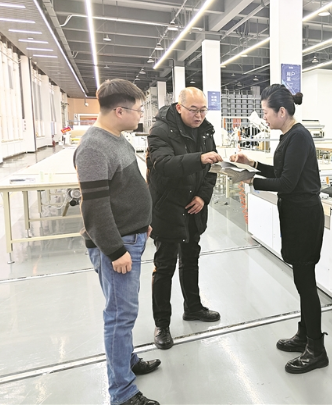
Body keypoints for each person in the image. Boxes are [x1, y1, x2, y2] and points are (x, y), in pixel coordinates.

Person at [230, 84, 328, 374]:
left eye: (266, 112)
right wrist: (252, 164)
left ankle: (316, 349)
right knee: (301, 281)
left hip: (304, 217)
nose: (265, 117)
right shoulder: (288, 136)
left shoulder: (299, 137)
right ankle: (304, 336)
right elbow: (282, 172)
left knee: (305, 284)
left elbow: (287, 183)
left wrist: (249, 180)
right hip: (295, 215)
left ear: (281, 111)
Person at [74, 79, 160, 405]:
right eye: (138, 110)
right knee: (120, 316)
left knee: (125, 312)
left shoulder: (116, 138)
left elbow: (124, 189)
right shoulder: (94, 148)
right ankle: (122, 393)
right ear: (120, 111)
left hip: (130, 236)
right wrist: (115, 249)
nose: (141, 115)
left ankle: (128, 360)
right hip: (117, 246)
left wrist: (142, 221)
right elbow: (94, 207)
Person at [146, 87, 223, 350]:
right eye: (194, 110)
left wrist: (203, 196)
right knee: (164, 266)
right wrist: (199, 158)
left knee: (190, 260)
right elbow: (164, 164)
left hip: (193, 208)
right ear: (179, 107)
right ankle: (162, 324)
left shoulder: (206, 131)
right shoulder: (160, 131)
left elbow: (212, 169)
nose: (199, 116)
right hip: (168, 208)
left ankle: (193, 307)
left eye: (203, 110)